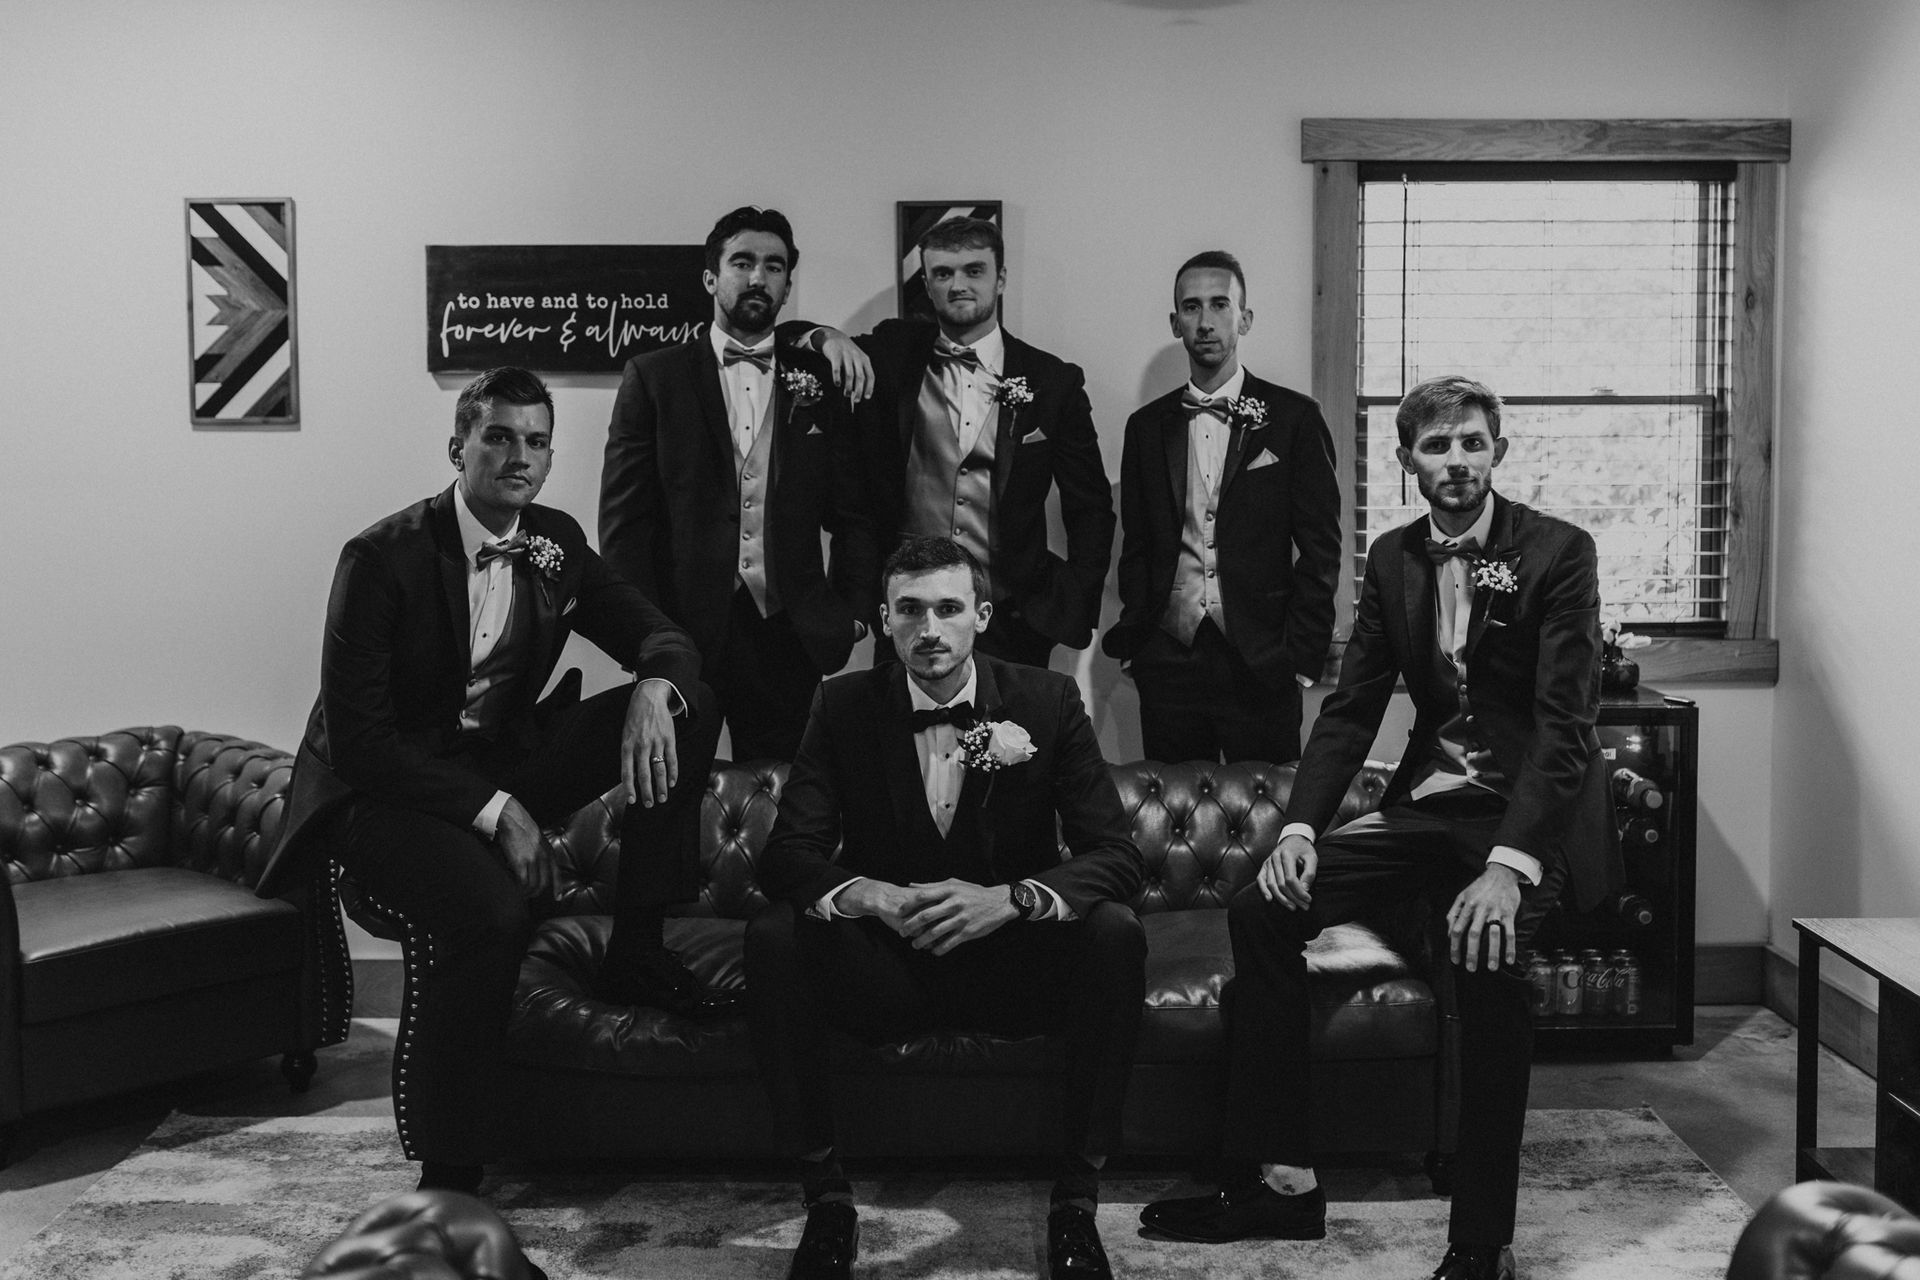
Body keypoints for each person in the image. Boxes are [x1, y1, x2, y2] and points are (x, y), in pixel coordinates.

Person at [1141, 376, 1623, 1280]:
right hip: (1424, 807)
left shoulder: (1560, 553)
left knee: (1489, 962)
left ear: (1498, 453)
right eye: (1438, 447)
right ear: (1407, 461)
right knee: (1261, 910)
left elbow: (1566, 730)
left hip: (1520, 820)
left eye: (1473, 444)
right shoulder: (1394, 558)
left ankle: (1481, 1240)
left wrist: (1510, 869)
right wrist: (1298, 833)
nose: (1458, 462)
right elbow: (1352, 708)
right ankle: (1281, 1182)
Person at [256, 367, 730, 1195]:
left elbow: (661, 635)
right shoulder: (381, 558)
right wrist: (497, 810)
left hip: (494, 762)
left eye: (536, 441)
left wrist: (656, 683)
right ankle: (451, 1171)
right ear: (458, 447)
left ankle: (638, 951)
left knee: (691, 698)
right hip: (379, 793)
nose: (520, 456)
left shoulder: (557, 543)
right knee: (491, 913)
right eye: (499, 437)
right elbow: (363, 743)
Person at [745, 536, 1146, 1280]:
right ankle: (827, 1196)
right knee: (775, 934)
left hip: (1010, 968)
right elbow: (787, 856)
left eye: (948, 609)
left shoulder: (1047, 701)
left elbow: (1117, 857)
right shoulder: (841, 705)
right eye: (911, 610)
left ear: (981, 616)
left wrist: (1014, 899)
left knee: (1114, 934)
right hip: (889, 969)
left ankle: (1078, 1198)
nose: (929, 629)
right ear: (886, 620)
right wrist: (868, 894)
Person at [599, 206, 875, 762]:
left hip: (789, 630)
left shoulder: (822, 379)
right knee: (668, 792)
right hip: (682, 632)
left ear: (787, 284)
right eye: (742, 262)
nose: (757, 278)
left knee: (785, 799)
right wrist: (645, 634)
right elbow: (625, 522)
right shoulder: (654, 377)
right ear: (711, 277)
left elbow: (855, 513)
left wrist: (854, 611)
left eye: (774, 267)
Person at [787, 216, 1114, 669]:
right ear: (926, 281)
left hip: (1013, 617)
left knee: (1015, 740)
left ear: (1000, 279)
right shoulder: (892, 353)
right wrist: (826, 337)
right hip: (908, 615)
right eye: (942, 273)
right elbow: (784, 340)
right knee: (903, 739)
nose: (958, 285)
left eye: (973, 271)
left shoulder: (1052, 380)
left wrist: (1077, 602)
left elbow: (1091, 505)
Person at [1102, 251, 1341, 765]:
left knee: (1268, 813)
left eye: (1220, 305)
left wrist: (1303, 656)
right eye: (1191, 307)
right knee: (1171, 821)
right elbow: (1137, 543)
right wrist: (1138, 638)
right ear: (1175, 322)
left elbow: (1321, 547)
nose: (1205, 321)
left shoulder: (1295, 418)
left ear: (1244, 318)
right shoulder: (1146, 428)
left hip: (1263, 657)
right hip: (1168, 657)